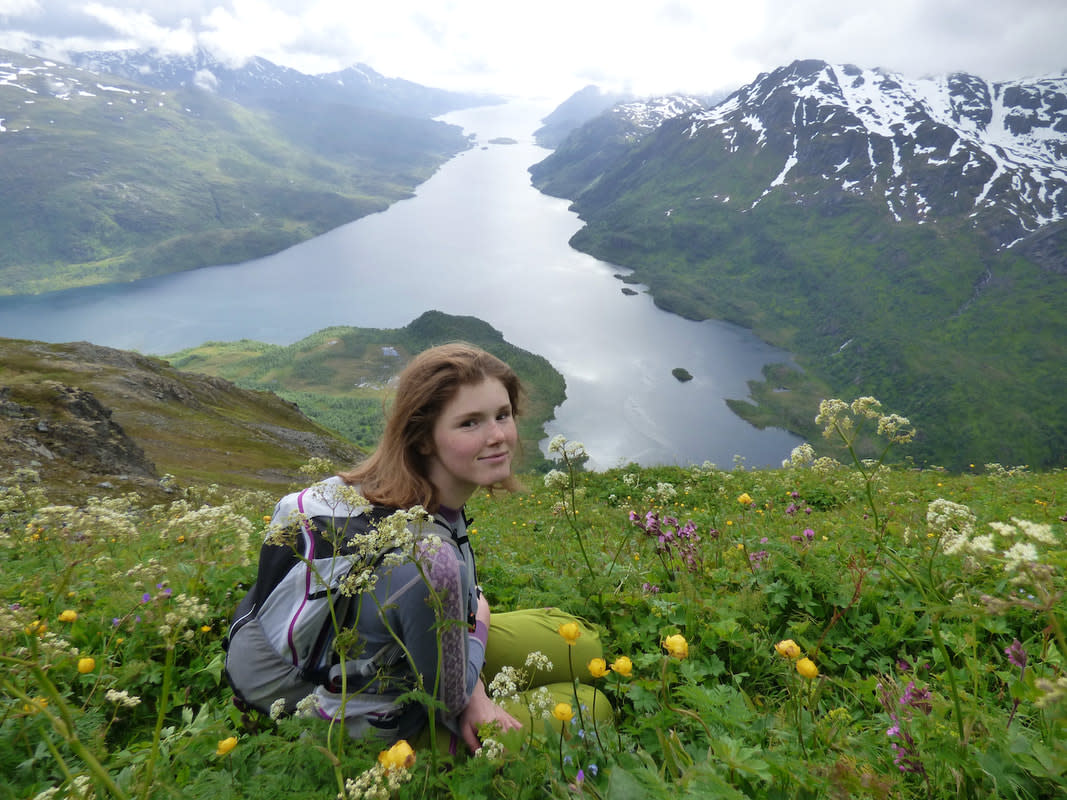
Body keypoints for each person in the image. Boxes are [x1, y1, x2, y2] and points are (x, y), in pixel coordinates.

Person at [266, 343, 609, 753]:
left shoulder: (398, 488)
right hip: (380, 714)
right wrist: (478, 623)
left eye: (502, 415)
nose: (498, 436)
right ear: (424, 439)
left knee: (585, 645)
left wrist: (474, 680)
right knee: (592, 705)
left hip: (429, 653)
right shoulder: (426, 559)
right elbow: (446, 698)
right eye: (470, 423)